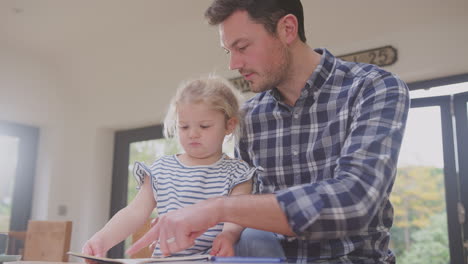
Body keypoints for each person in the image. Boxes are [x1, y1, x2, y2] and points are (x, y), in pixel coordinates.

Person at [127, 0, 410, 263]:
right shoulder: (249, 116)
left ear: (287, 29)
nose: (233, 65)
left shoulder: (374, 87)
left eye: (243, 47)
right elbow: (245, 210)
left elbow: (356, 201)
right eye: (229, 51)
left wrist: (217, 209)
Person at [82, 75, 255, 258]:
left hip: (212, 259)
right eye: (184, 127)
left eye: (204, 126)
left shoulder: (238, 173)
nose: (193, 134)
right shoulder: (161, 169)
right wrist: (102, 239)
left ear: (229, 125)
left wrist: (229, 235)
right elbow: (134, 212)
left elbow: (236, 215)